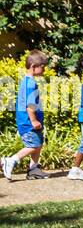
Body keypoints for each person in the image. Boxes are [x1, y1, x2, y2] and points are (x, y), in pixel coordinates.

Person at [3, 51, 50, 181]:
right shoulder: (30, 84)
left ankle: (33, 169)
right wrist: (34, 120)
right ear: (34, 66)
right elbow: (30, 106)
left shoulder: (27, 81)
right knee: (33, 146)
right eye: (43, 67)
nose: (44, 69)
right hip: (29, 122)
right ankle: (11, 160)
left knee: (38, 143)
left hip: (30, 121)